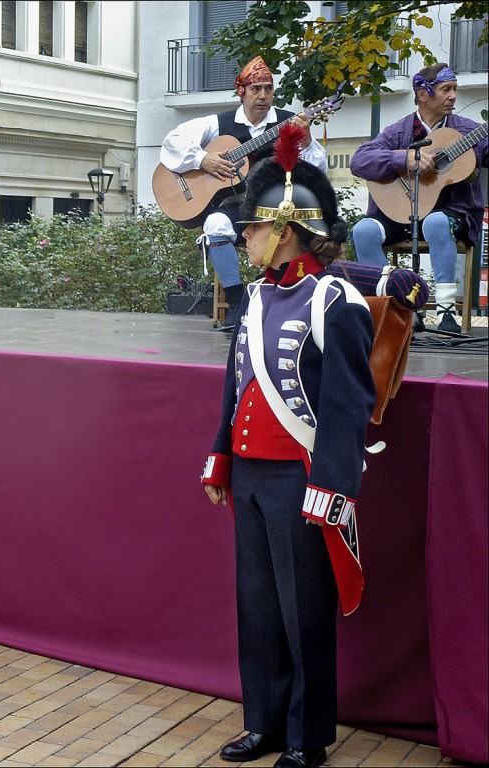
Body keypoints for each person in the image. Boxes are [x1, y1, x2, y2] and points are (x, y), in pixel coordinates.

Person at [201, 125, 378, 768]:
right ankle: (265, 722)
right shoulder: (253, 301)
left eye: (250, 228)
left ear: (285, 229)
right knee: (258, 606)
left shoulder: (337, 300)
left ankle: (306, 737)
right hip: (250, 477)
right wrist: (220, 456)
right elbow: (236, 386)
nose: (241, 237)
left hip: (302, 481)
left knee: (303, 613)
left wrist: (330, 490)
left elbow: (347, 406)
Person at [159, 56, 328, 329]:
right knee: (214, 224)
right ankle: (237, 301)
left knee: (291, 232)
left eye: (268, 89)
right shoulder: (220, 123)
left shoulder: (290, 122)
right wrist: (202, 159)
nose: (263, 95)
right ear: (242, 92)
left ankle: (286, 302)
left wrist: (306, 141)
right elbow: (172, 141)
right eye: (256, 89)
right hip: (235, 207)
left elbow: (318, 170)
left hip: (275, 208)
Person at [350, 62, 488, 334]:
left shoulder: (467, 131)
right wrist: (405, 158)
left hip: (452, 214)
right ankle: (393, 307)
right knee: (363, 229)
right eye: (446, 89)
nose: (453, 96)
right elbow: (359, 160)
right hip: (400, 213)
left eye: (454, 89)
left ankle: (446, 312)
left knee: (436, 222)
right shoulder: (399, 132)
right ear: (423, 94)